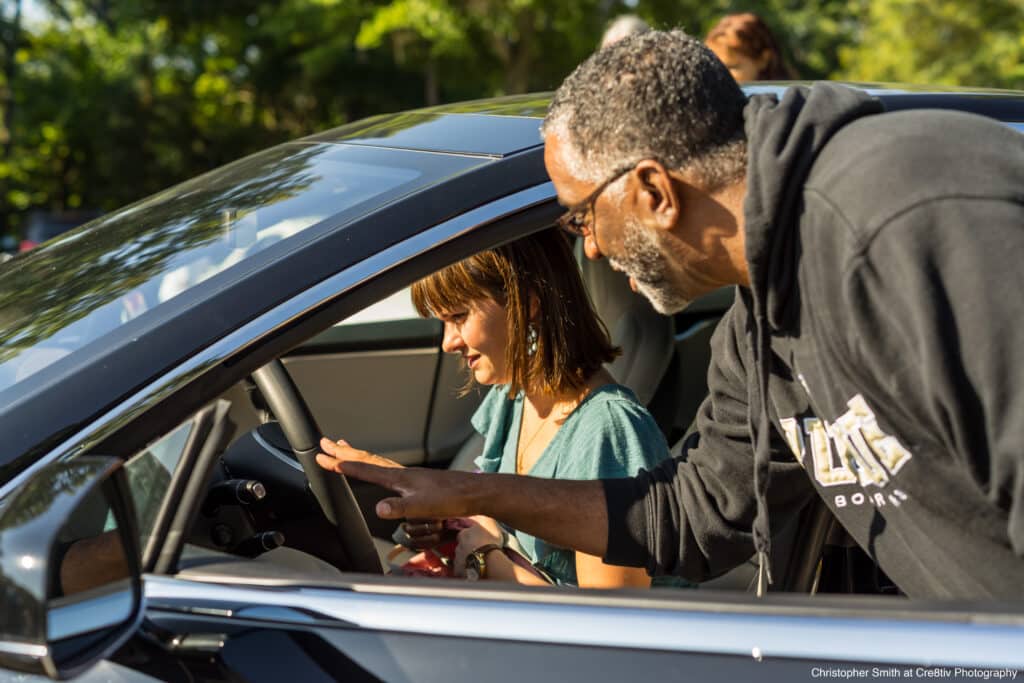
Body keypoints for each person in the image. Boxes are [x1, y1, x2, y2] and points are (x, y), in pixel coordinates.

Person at [318, 30, 1024, 599]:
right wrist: (465, 492)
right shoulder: (756, 323)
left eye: (583, 214)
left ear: (654, 189)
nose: (587, 243)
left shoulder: (909, 224)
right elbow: (691, 515)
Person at [318, 229, 672, 587]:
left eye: (458, 317)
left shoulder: (608, 431)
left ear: (528, 302)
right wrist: (445, 519)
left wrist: (483, 559)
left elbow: (610, 623)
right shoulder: (514, 396)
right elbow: (499, 522)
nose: (448, 343)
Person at [704, 12, 794, 82]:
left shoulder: (789, 102)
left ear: (763, 60)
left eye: (732, 67)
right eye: (713, 68)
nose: (719, 76)